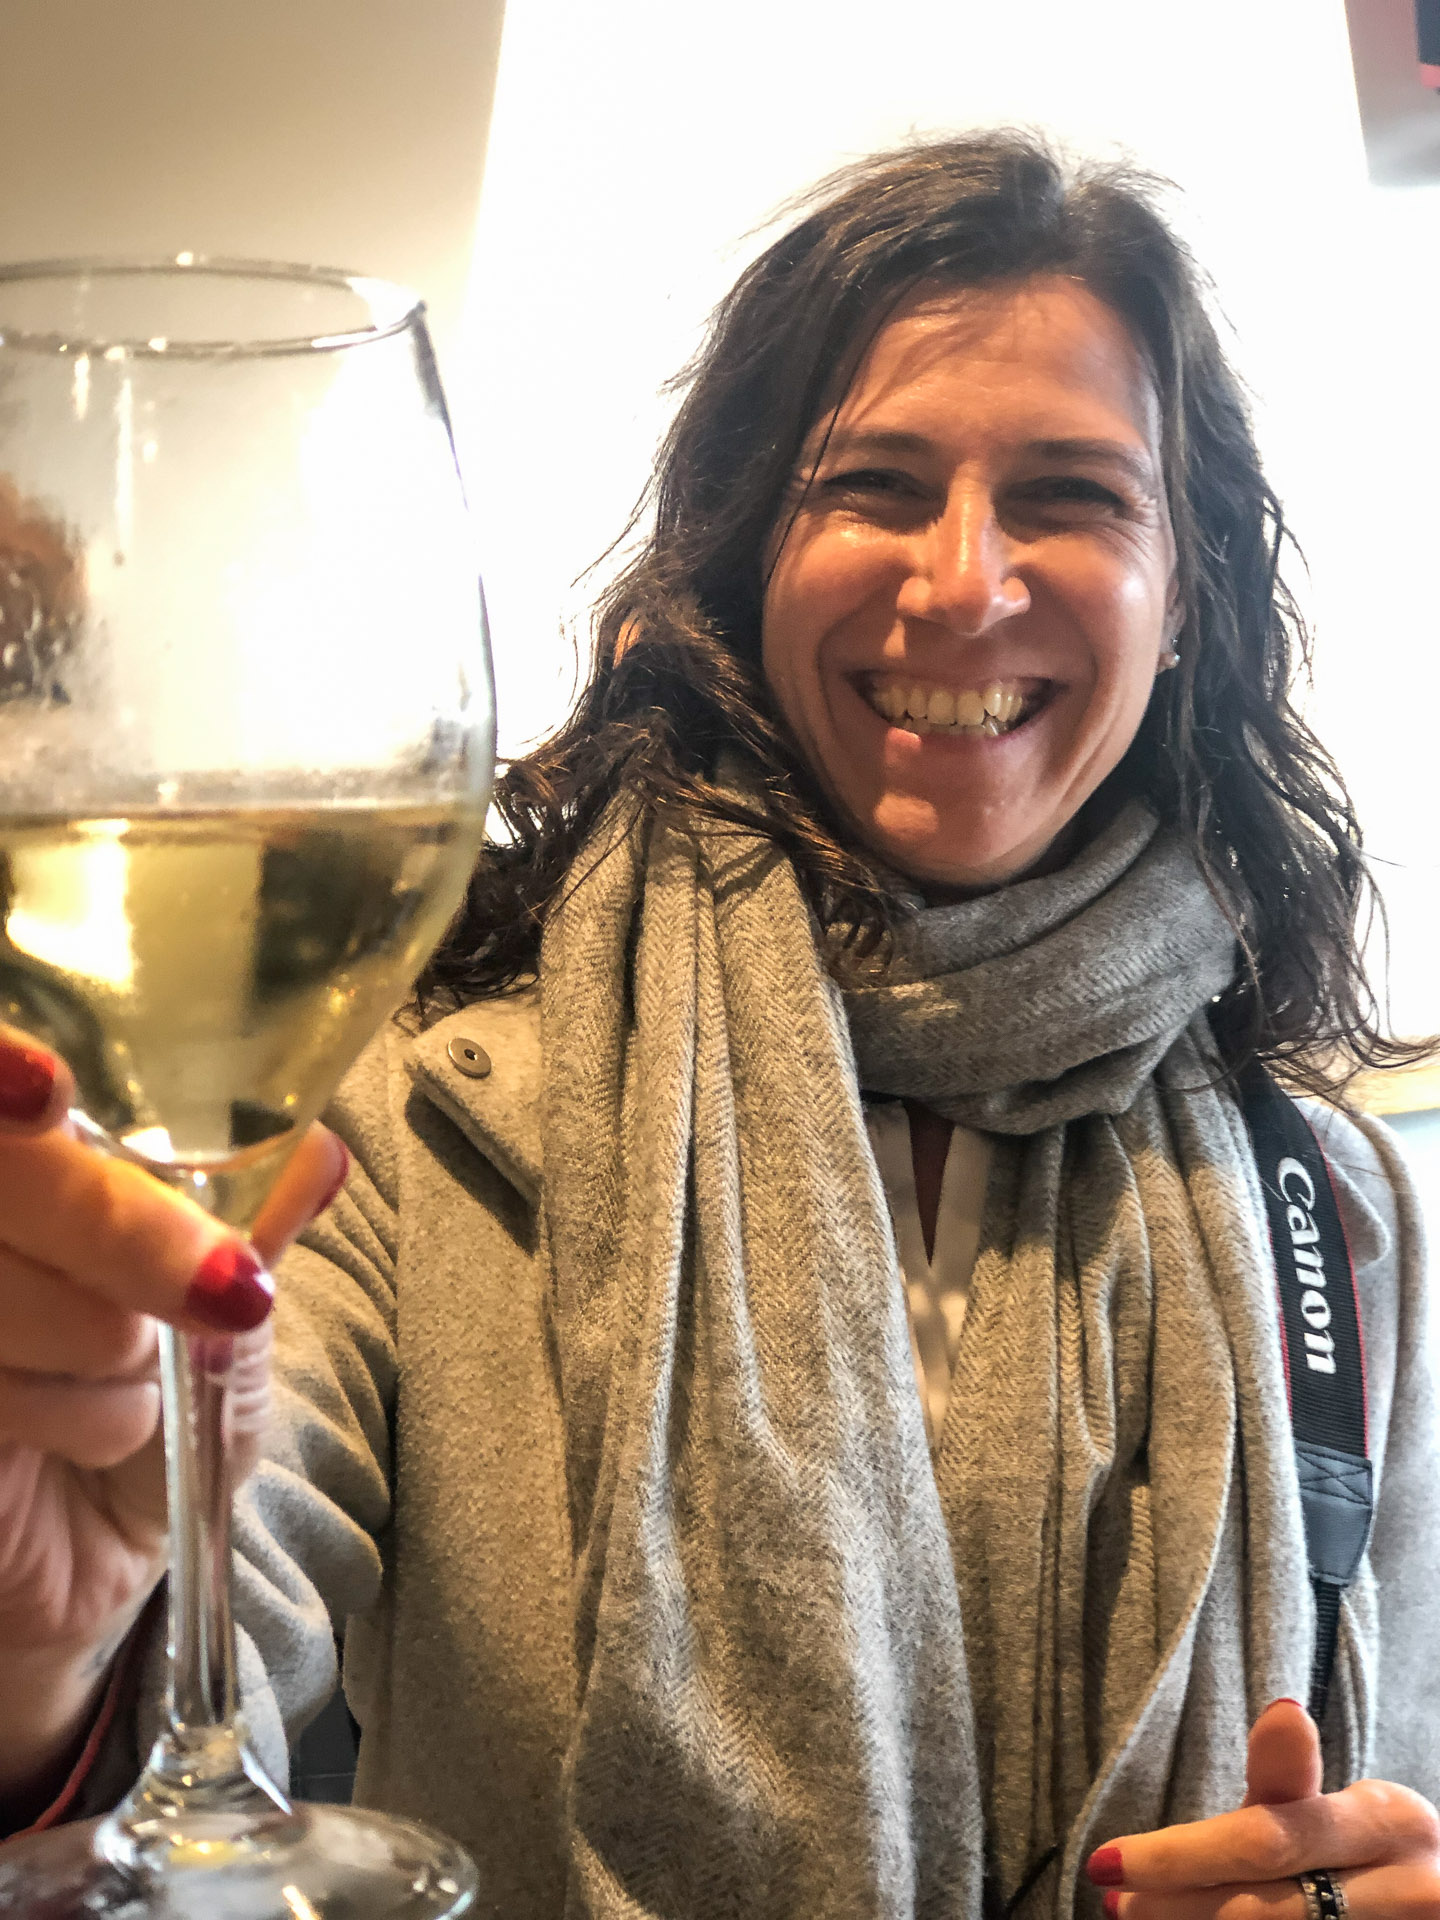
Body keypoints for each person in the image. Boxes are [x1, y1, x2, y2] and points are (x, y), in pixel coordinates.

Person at [2, 131, 1439, 1919]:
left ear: (1188, 590)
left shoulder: (1340, 1208)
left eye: (1073, 495)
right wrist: (38, 1671)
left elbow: (1395, 1789)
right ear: (749, 551)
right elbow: (188, 1720)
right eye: (879, 485)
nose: (966, 581)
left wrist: (1340, 1887)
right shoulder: (414, 1121)